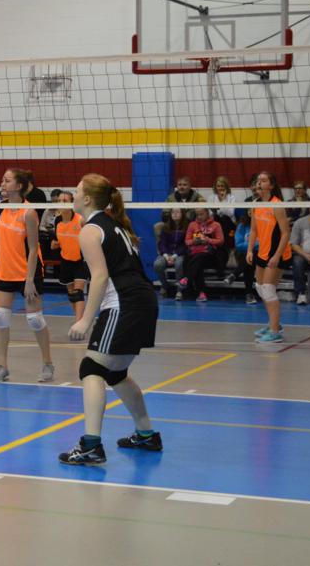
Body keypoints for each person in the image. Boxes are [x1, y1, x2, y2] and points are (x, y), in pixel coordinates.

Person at [58, 174, 161, 466]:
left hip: (124, 303)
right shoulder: (115, 225)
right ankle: (146, 434)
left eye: (77, 190)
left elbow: (101, 276)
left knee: (91, 368)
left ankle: (91, 446)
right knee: (115, 373)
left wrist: (85, 320)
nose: (73, 194)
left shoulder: (90, 230)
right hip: (144, 301)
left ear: (88, 199)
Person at [0, 169, 54, 384]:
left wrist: (29, 279)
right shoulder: (0, 207)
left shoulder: (28, 212)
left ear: (19, 186)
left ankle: (48, 363)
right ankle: (2, 366)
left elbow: (33, 248)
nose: (2, 183)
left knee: (35, 319)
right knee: (0, 316)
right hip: (6, 270)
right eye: (2, 180)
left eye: (7, 180)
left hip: (28, 271)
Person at [247, 171, 292, 344]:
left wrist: (277, 256)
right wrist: (250, 250)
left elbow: (286, 233)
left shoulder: (277, 205)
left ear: (271, 185)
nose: (259, 183)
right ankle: (274, 324)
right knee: (260, 288)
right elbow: (253, 230)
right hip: (263, 252)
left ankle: (275, 332)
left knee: (268, 289)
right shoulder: (255, 203)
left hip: (278, 253)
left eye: (263, 180)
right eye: (258, 180)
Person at [52, 192, 87, 323]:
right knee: (72, 294)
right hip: (66, 260)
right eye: (59, 200)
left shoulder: (80, 220)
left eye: (65, 200)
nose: (61, 203)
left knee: (78, 292)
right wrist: (54, 244)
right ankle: (78, 319)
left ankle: (79, 322)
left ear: (72, 203)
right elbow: (57, 241)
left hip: (81, 260)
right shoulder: (57, 220)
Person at [179, 207, 224, 302]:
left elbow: (221, 241)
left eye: (201, 214)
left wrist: (208, 240)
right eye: (197, 215)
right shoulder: (192, 225)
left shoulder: (216, 225)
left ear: (207, 212)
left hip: (209, 255)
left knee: (199, 259)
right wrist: (194, 241)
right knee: (197, 263)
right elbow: (187, 241)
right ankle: (201, 293)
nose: (199, 216)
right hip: (195, 253)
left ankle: (187, 278)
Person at [154, 208, 189, 299]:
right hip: (166, 253)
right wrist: (166, 255)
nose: (175, 214)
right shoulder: (165, 227)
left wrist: (175, 256)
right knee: (157, 264)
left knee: (179, 264)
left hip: (180, 254)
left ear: (182, 214)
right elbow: (162, 243)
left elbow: (185, 245)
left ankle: (179, 289)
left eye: (177, 212)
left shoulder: (187, 227)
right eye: (173, 212)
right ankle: (164, 285)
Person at [234, 212, 257, 305]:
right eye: (249, 210)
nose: (251, 212)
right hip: (245, 253)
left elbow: (262, 244)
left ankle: (235, 274)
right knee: (248, 260)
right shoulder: (242, 225)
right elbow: (238, 245)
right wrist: (250, 248)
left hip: (261, 253)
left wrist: (251, 247)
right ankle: (249, 294)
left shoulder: (263, 223)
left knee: (250, 258)